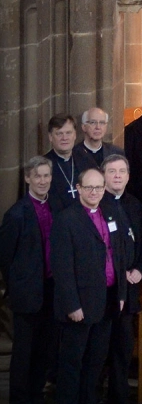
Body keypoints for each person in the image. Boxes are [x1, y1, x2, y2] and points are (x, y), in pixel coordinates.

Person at [51, 168, 128, 404]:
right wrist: (72, 305)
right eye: (89, 187)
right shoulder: (66, 219)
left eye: (99, 187)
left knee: (96, 359)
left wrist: (121, 293)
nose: (94, 192)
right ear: (79, 189)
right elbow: (62, 268)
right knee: (73, 362)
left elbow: (120, 254)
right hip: (80, 305)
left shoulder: (111, 211)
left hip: (107, 299)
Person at [0, 156, 55, 404]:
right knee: (23, 352)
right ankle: (19, 399)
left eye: (46, 176)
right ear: (28, 178)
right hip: (27, 293)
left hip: (50, 290)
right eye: (38, 176)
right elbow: (6, 258)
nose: (42, 181)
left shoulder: (55, 207)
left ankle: (36, 394)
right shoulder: (16, 214)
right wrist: (16, 288)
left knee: (43, 349)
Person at [100, 155, 142, 404]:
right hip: (105, 289)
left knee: (123, 345)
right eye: (112, 171)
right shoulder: (98, 204)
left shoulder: (135, 204)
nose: (117, 176)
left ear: (128, 176)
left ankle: (118, 395)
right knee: (100, 348)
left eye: (122, 171)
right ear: (103, 175)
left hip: (129, 288)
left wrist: (139, 268)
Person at [45, 114, 92, 214]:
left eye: (68, 133)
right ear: (50, 137)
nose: (64, 138)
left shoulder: (86, 160)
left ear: (75, 135)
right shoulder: (43, 166)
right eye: (59, 134)